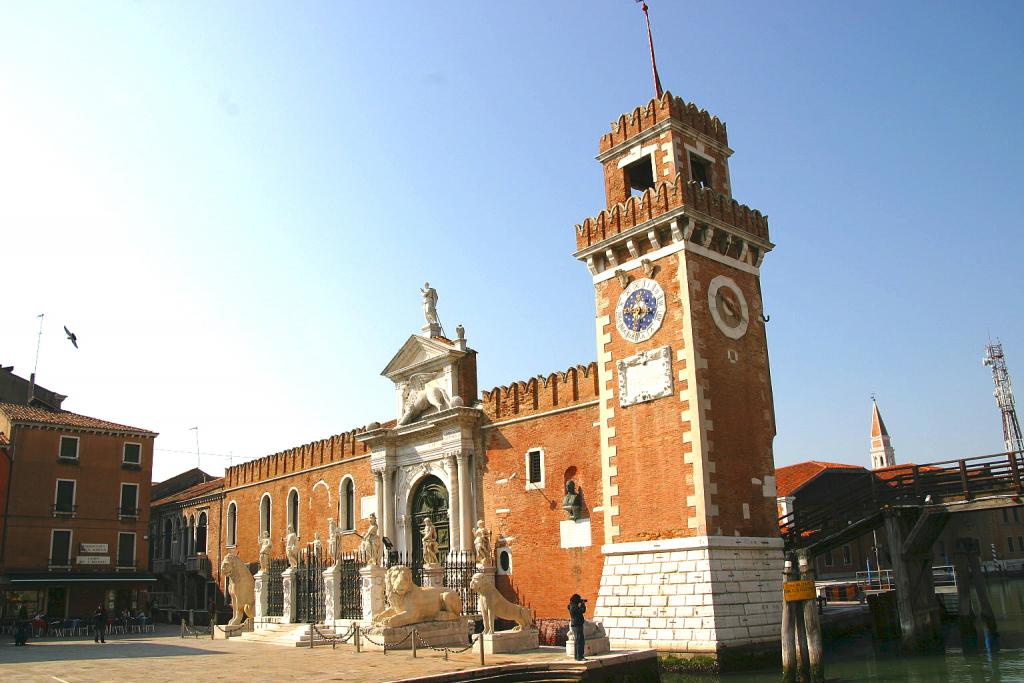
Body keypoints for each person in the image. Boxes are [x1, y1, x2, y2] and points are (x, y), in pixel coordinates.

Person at [568, 593, 587, 661]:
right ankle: (580, 656)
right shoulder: (574, 607)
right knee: (580, 641)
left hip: (576, 624)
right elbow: (582, 611)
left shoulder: (572, 606)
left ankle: (577, 656)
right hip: (577, 625)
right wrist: (583, 605)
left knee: (577, 641)